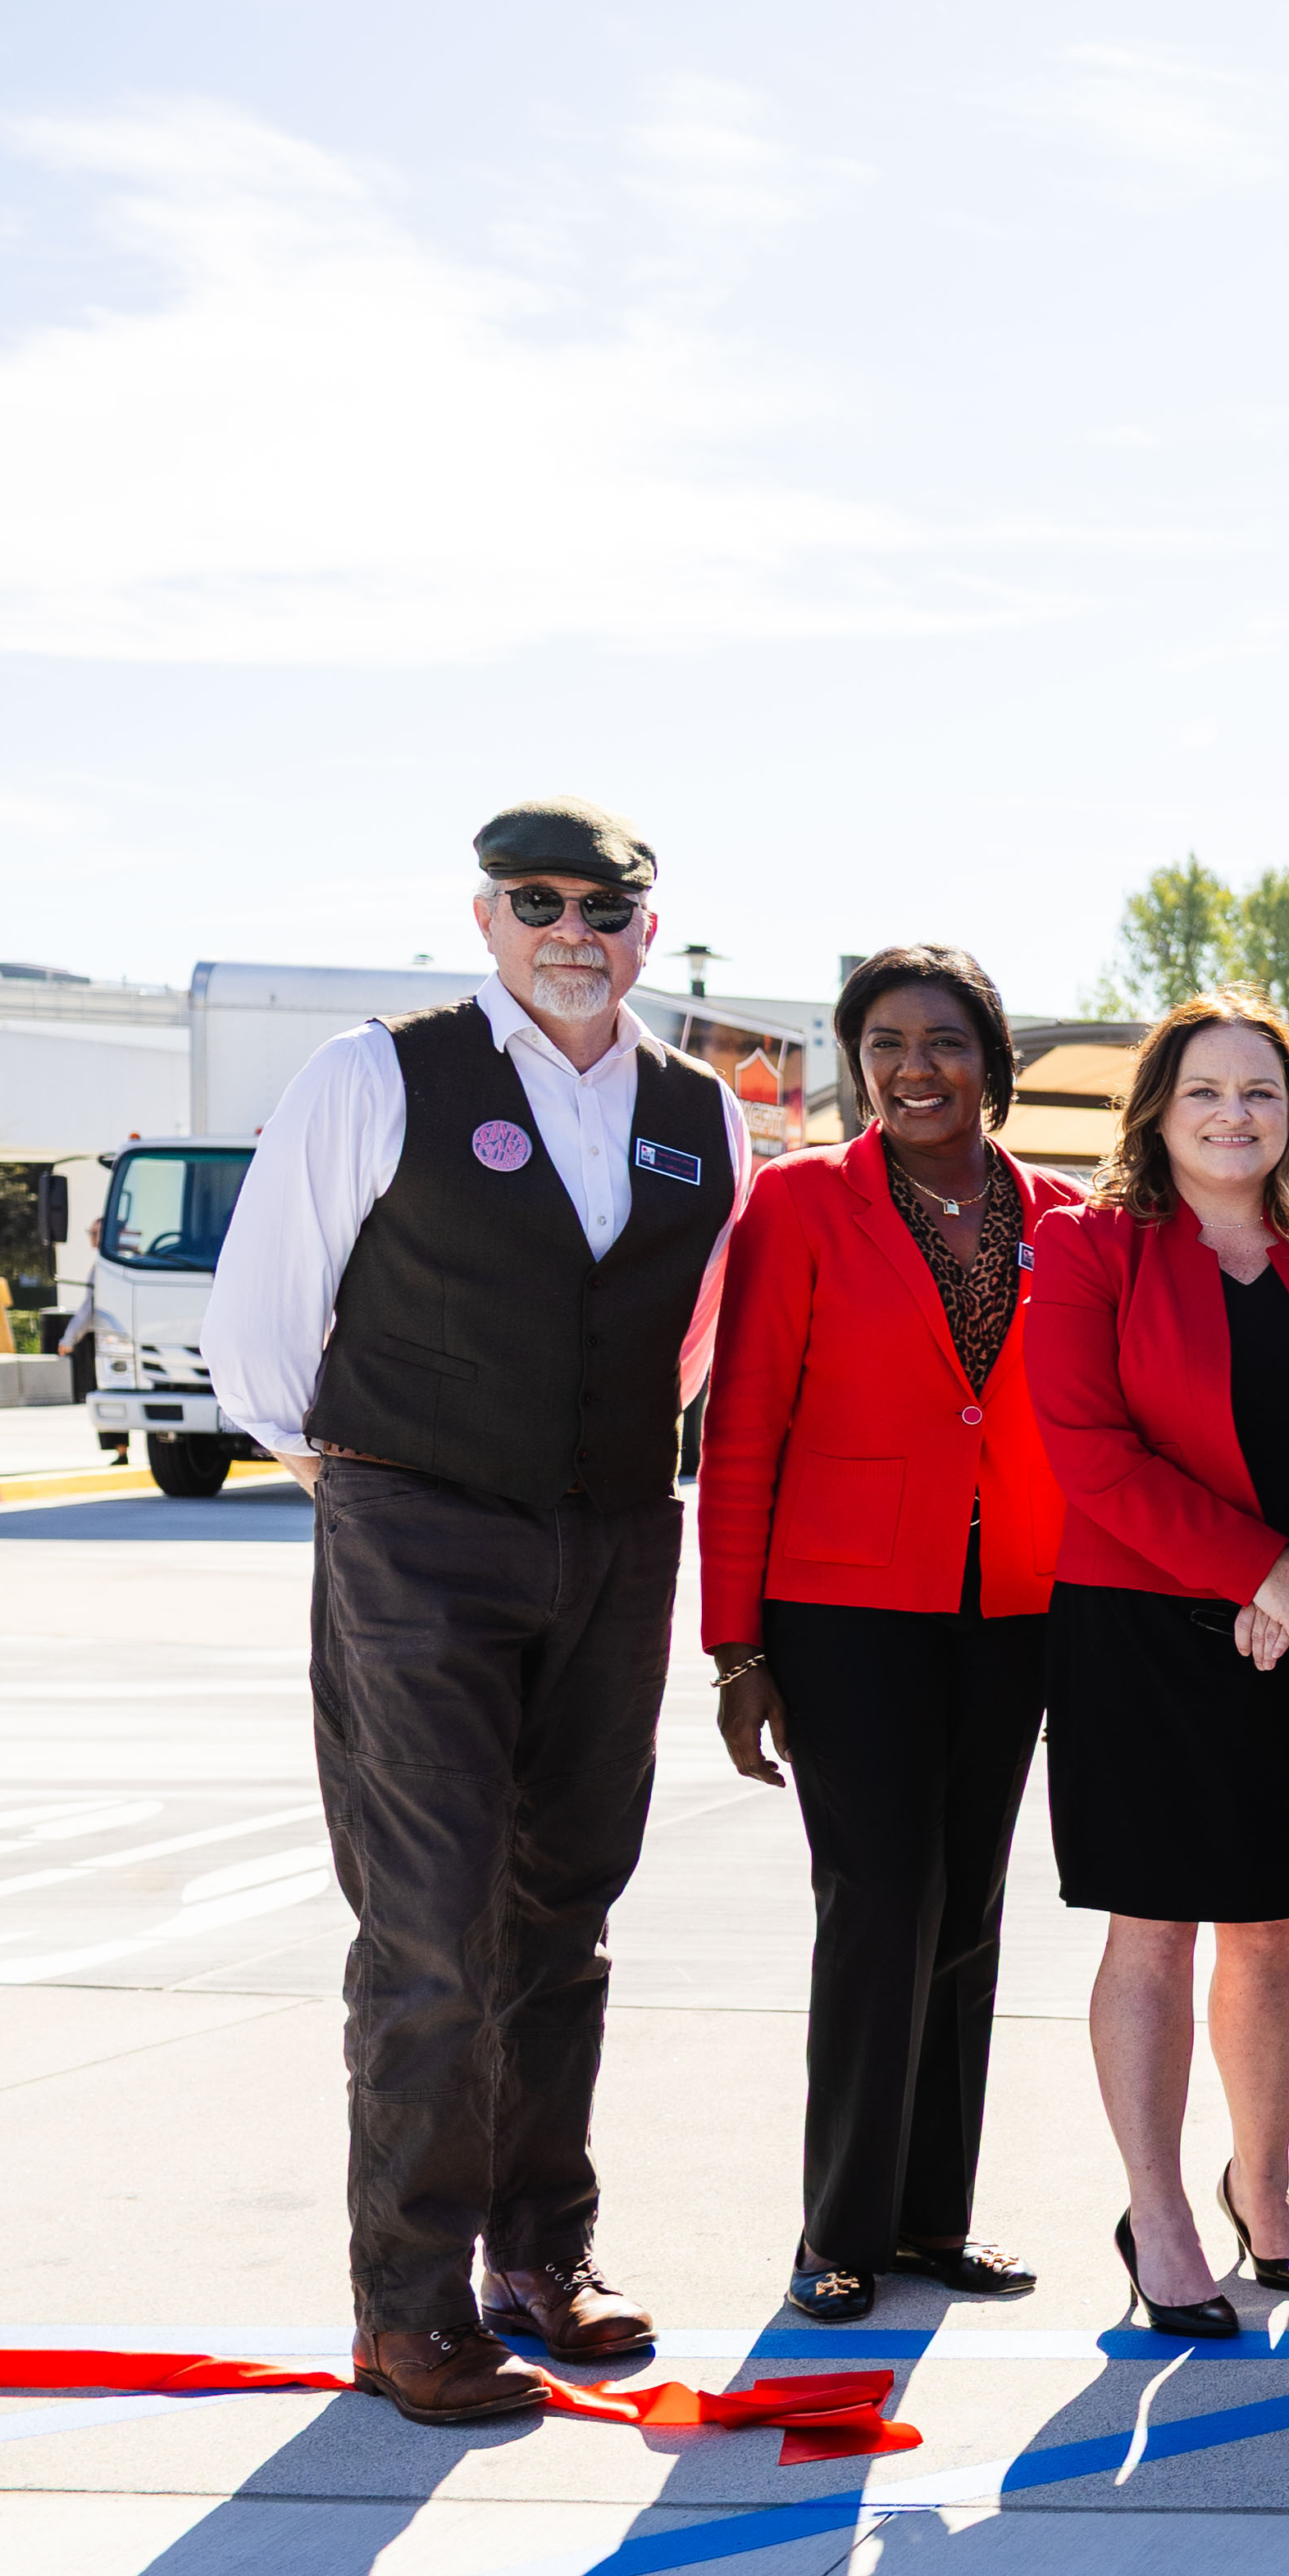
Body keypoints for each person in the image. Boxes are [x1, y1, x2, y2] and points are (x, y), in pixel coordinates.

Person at [206, 797, 752, 2421]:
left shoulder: (698, 1110)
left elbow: (696, 1338)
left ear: (648, 930)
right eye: (539, 902)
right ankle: (407, 2306)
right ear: (487, 916)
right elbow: (262, 1329)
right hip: (417, 1529)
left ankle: (540, 2253)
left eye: (605, 906)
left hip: (608, 1533)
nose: (571, 930)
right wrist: (376, 1487)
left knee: (564, 1914)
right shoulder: (380, 1075)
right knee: (431, 1929)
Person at [698, 945, 1074, 2324]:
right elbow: (740, 1433)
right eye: (886, 1044)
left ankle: (931, 2221)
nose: (916, 1068)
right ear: (858, 1064)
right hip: (845, 1611)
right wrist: (735, 1648)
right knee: (876, 1905)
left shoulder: (1062, 1213)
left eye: (946, 1040)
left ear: (993, 1058)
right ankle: (836, 2230)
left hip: (1013, 1609)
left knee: (968, 1911)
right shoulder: (799, 1206)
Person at [1024, 994, 1289, 2329]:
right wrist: (1251, 1572)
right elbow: (1087, 1450)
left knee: (1276, 1926)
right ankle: (1158, 2211)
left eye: (1262, 1093)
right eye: (1206, 1092)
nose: (1235, 1115)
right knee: (1155, 1927)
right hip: (1140, 1634)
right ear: (1157, 1111)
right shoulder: (1091, 1245)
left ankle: (1266, 2185)